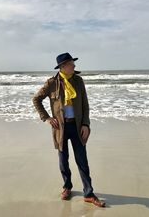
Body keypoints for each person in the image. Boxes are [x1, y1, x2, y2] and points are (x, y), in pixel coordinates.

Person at [32, 52, 105, 207]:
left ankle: (89, 193)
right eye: (71, 63)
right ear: (63, 67)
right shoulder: (52, 83)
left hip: (77, 127)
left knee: (82, 161)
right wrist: (46, 118)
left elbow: (85, 104)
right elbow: (36, 99)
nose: (74, 65)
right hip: (60, 128)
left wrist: (86, 124)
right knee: (63, 161)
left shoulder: (78, 81)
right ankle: (67, 187)